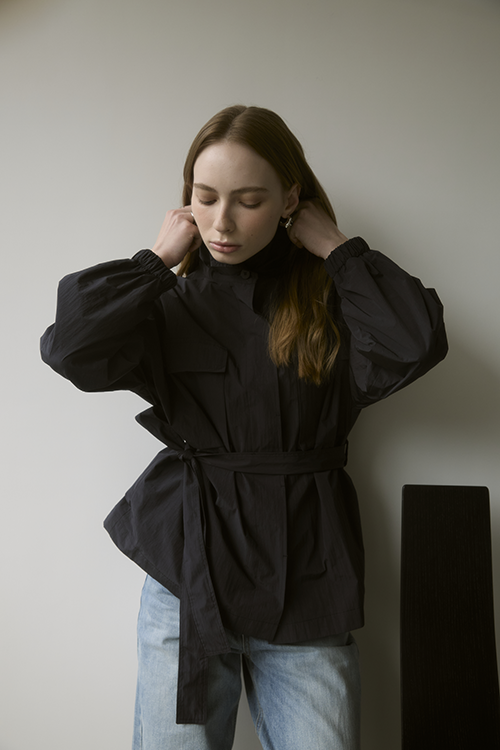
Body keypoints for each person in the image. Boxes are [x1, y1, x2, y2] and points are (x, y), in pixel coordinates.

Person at [40, 105, 448, 750]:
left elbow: (416, 342)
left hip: (308, 578)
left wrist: (339, 249)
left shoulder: (332, 303)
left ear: (290, 199)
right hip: (187, 579)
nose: (222, 223)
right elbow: (70, 348)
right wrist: (155, 260)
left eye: (249, 200)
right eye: (205, 198)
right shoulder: (166, 302)